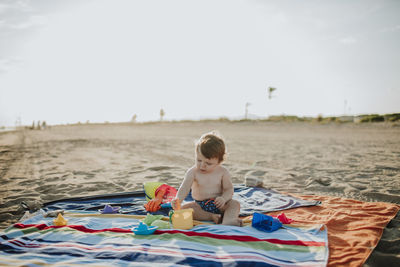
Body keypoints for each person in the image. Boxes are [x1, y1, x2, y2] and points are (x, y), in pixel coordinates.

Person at [172, 131, 242, 226]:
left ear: (219, 161)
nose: (202, 165)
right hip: (200, 205)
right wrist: (178, 199)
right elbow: (184, 187)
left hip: (220, 204)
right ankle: (211, 216)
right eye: (199, 160)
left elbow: (228, 189)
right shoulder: (193, 172)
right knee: (185, 209)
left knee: (234, 204)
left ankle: (228, 220)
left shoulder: (223, 172)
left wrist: (223, 199)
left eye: (208, 163)